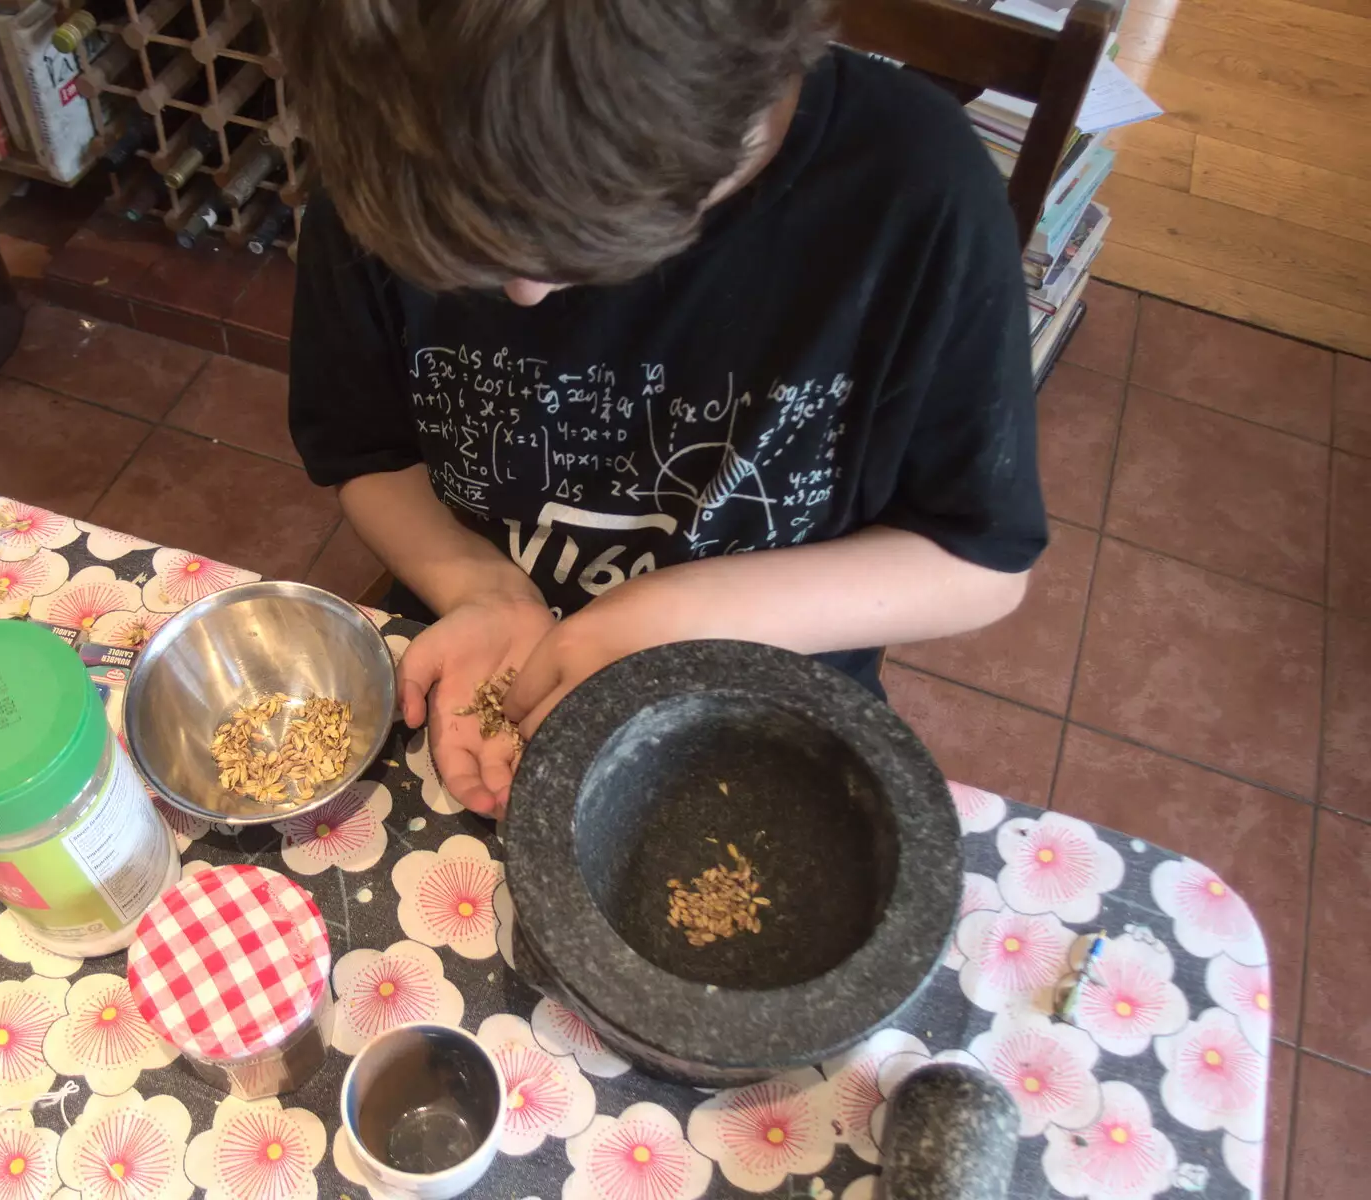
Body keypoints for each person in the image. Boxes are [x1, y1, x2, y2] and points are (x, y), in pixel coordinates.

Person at [281, 0, 1048, 818]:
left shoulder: (918, 192)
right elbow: (365, 449)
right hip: (472, 625)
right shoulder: (392, 135)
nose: (524, 292)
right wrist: (477, 588)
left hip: (763, 686)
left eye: (581, 238)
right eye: (470, 256)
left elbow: (978, 561)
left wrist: (668, 615)